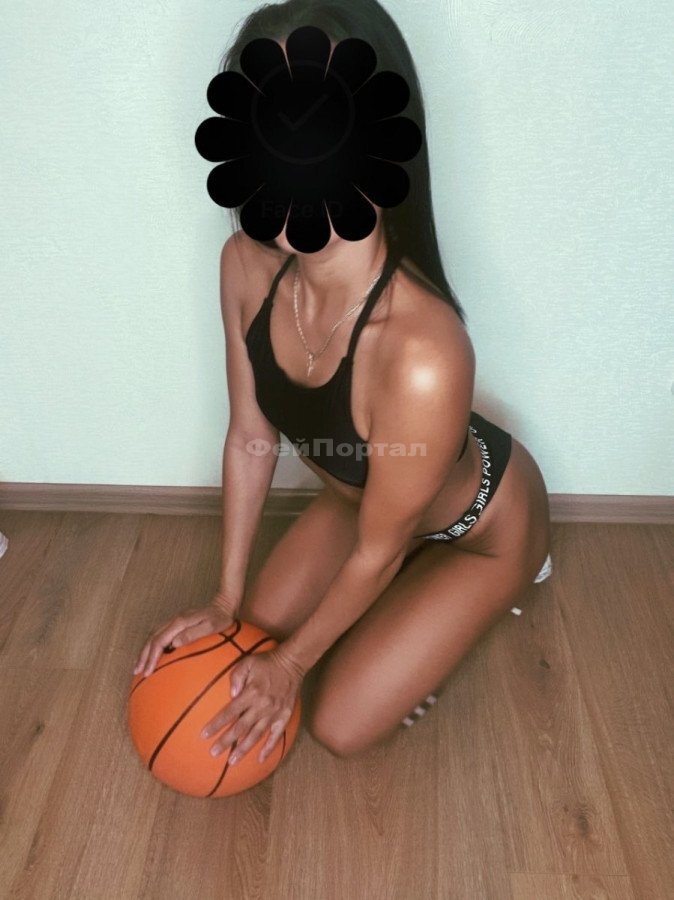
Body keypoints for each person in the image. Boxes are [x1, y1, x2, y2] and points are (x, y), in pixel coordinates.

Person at [134, 0, 553, 768]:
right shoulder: (243, 267)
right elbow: (251, 437)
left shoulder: (423, 349)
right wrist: (225, 601)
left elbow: (376, 549)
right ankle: (396, 599)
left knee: (338, 723)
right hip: (365, 503)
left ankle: (499, 582)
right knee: (255, 625)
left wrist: (292, 666)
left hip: (479, 530)